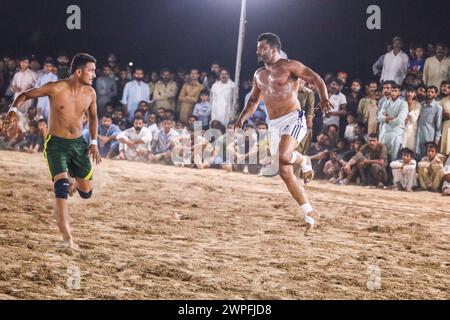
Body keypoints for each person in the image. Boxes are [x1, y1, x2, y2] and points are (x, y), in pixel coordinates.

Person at [235, 33, 332, 235]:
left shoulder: (290, 66)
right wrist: (241, 119)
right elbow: (253, 101)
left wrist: (323, 99)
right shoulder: (258, 74)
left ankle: (304, 159)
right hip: (274, 124)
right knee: (284, 170)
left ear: (273, 48)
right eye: (257, 47)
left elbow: (315, 78)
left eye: (261, 47)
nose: (257, 51)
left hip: (293, 119)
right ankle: (309, 211)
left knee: (283, 156)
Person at [3, 53, 101, 251]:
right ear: (79, 71)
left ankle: (74, 182)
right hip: (56, 144)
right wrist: (13, 110)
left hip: (79, 145)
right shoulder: (56, 88)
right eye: (91, 70)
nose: (94, 74)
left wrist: (94, 142)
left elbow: (93, 118)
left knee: (86, 193)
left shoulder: (90, 93)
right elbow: (25, 95)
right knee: (61, 187)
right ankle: (67, 238)